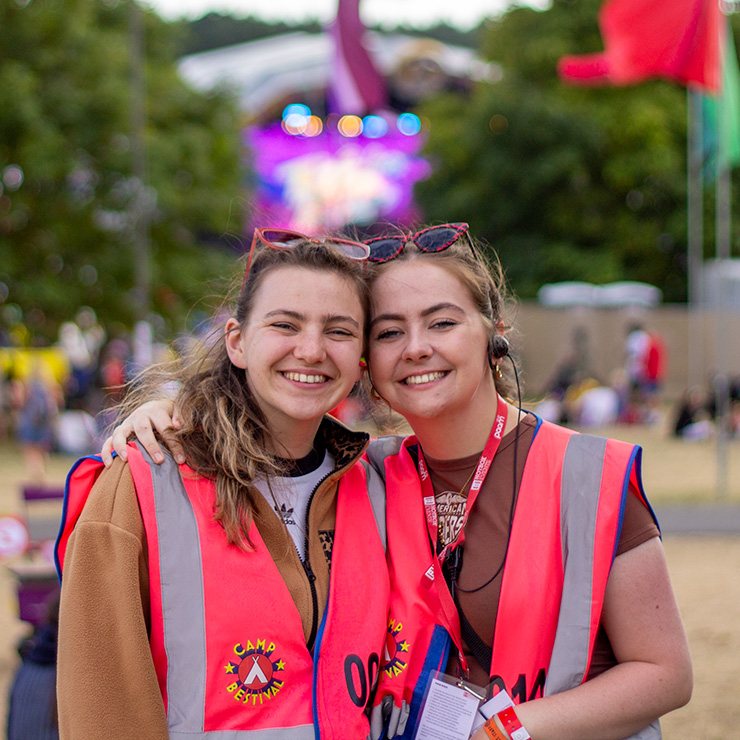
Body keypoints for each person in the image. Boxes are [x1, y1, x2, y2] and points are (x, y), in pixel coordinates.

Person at [109, 223, 692, 740]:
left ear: (493, 331)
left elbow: (665, 673)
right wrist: (167, 415)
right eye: (389, 333)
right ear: (367, 359)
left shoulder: (590, 476)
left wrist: (504, 733)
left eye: (442, 322)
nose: (416, 348)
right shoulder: (358, 474)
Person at [55, 231, 390, 739]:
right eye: (285, 324)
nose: (311, 349)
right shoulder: (144, 477)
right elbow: (101, 713)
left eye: (339, 331)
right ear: (237, 341)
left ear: (361, 356)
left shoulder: (376, 486)